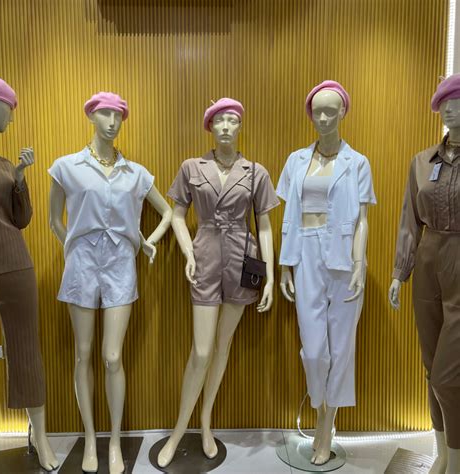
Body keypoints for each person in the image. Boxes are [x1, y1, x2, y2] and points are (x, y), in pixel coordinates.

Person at [48, 91, 172, 473]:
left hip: (121, 264)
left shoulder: (135, 173)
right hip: (82, 265)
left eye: (118, 115)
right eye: (105, 113)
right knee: (83, 353)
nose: (112, 121)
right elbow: (54, 220)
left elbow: (167, 212)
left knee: (112, 356)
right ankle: (90, 438)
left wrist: (148, 242)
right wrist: (72, 248)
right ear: (91, 116)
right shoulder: (67, 167)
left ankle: (115, 440)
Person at [157, 97, 279, 468]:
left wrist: (270, 277)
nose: (226, 126)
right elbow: (178, 215)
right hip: (206, 257)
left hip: (242, 259)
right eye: (219, 120)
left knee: (223, 347)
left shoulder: (255, 172)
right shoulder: (192, 167)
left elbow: (265, 226)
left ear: (240, 126)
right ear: (210, 126)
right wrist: (188, 253)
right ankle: (179, 431)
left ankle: (206, 422)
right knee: (201, 351)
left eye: (232, 120)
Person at [278, 81, 376, 465]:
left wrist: (360, 263)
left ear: (343, 112)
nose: (322, 118)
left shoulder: (358, 163)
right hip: (305, 251)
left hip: (343, 256)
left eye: (330, 111)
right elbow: (288, 216)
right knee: (314, 348)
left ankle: (327, 422)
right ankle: (320, 408)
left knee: (341, 347)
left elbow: (363, 218)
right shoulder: (296, 161)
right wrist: (285, 264)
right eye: (317, 111)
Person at [0, 74, 58, 471]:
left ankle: (41, 438)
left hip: (15, 264)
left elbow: (22, 219)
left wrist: (18, 179)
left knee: (26, 351)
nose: (12, 116)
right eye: (9, 107)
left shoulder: (0, 163)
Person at [389, 73, 460, 474]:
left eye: (458, 101)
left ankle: (457, 458)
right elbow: (409, 220)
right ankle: (442, 453)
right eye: (444, 102)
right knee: (432, 367)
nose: (450, 108)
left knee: (450, 375)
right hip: (429, 262)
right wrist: (400, 272)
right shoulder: (422, 161)